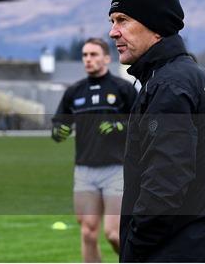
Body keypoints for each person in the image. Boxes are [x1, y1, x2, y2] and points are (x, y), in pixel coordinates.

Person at [108, 0, 205, 262]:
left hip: (180, 251)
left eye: (122, 20)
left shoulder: (168, 85)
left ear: (155, 26)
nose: (113, 32)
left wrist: (134, 246)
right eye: (112, 21)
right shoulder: (196, 76)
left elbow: (165, 184)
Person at [51, 38, 137, 262]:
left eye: (93, 54)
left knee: (113, 234)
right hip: (84, 172)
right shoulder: (74, 92)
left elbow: (143, 124)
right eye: (85, 55)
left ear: (107, 58)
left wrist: (119, 126)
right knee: (88, 232)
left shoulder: (123, 89)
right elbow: (59, 125)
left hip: (116, 170)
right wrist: (58, 132)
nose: (88, 59)